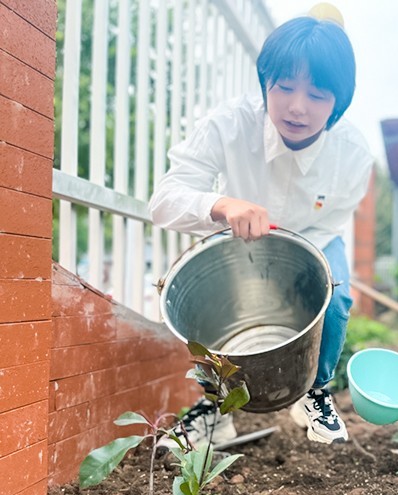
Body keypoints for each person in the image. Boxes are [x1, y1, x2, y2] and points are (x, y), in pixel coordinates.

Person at [149, 12, 374, 446]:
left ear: (339, 102)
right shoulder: (229, 124)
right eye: (284, 87)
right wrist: (220, 204)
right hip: (239, 243)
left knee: (339, 294)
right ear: (264, 82)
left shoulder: (352, 155)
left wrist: (295, 260)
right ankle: (215, 411)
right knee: (205, 299)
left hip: (313, 238)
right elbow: (164, 201)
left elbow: (330, 224)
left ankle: (313, 390)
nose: (296, 107)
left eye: (316, 94)